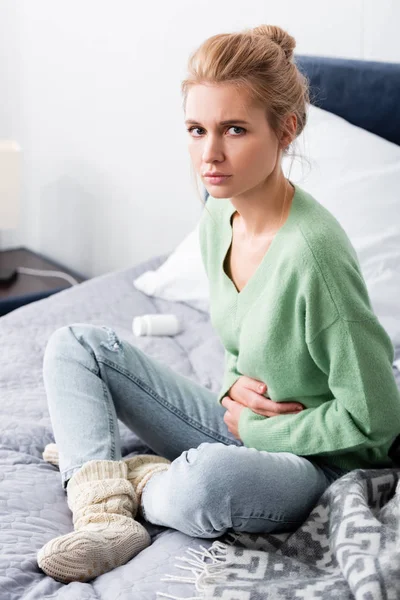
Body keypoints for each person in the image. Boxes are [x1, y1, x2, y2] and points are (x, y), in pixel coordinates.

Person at [37, 24, 400, 585]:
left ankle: (117, 473)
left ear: (286, 129)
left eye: (234, 130)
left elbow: (376, 422)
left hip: (317, 463)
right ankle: (106, 513)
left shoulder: (316, 256)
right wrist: (233, 389)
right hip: (242, 423)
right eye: (196, 130)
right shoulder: (218, 217)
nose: (210, 154)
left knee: (207, 483)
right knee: (74, 345)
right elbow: (238, 353)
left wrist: (259, 432)